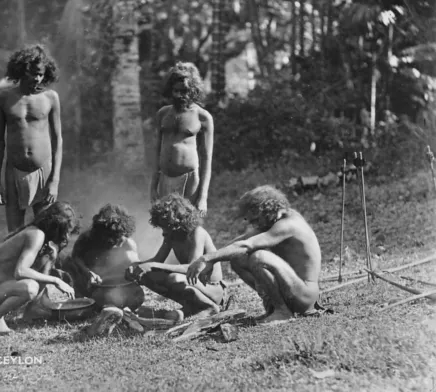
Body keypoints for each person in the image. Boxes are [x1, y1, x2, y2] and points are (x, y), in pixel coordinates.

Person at [186, 185, 322, 325]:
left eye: (255, 220)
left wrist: (206, 258)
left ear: (267, 210)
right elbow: (240, 242)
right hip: (292, 289)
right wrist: (212, 261)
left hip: (304, 295)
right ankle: (273, 307)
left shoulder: (288, 224)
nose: (253, 225)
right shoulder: (273, 220)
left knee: (259, 257)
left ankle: (282, 312)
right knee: (237, 258)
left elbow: (246, 245)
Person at [0, 201, 79, 335]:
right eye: (65, 231)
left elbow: (33, 271)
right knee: (30, 287)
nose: (66, 236)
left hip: (1, 289)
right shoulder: (36, 235)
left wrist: (53, 265)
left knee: (46, 261)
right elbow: (21, 271)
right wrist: (56, 281)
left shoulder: (41, 237)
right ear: (56, 226)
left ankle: (35, 308)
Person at [0, 44, 63, 233]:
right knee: (15, 233)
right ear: (22, 71)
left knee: (46, 231)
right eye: (33, 73)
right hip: (14, 171)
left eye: (41, 74)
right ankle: (17, 264)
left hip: (43, 171)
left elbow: (58, 141)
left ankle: (46, 264)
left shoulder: (50, 98)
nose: (38, 78)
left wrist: (54, 181)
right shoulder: (3, 98)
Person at [126, 194, 227, 321]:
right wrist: (137, 266)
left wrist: (152, 266)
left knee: (174, 278)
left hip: (212, 290)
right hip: (195, 286)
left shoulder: (197, 233)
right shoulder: (171, 235)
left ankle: (210, 307)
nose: (163, 231)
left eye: (165, 226)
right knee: (146, 275)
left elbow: (190, 268)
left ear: (177, 222)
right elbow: (157, 260)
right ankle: (191, 308)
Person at [150, 62, 213, 216]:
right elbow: (157, 152)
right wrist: (153, 186)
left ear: (193, 90)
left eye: (184, 91)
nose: (180, 95)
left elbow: (206, 159)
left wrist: (203, 197)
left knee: (187, 226)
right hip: (165, 179)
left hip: (189, 180)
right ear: (171, 90)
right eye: (176, 91)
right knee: (166, 226)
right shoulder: (163, 114)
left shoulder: (203, 117)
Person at [64, 204, 144, 311]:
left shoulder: (128, 243)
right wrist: (87, 272)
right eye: (108, 235)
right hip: (91, 285)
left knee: (135, 297)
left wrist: (136, 270)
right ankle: (83, 299)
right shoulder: (87, 239)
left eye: (116, 235)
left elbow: (136, 265)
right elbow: (75, 257)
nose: (112, 240)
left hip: (117, 287)